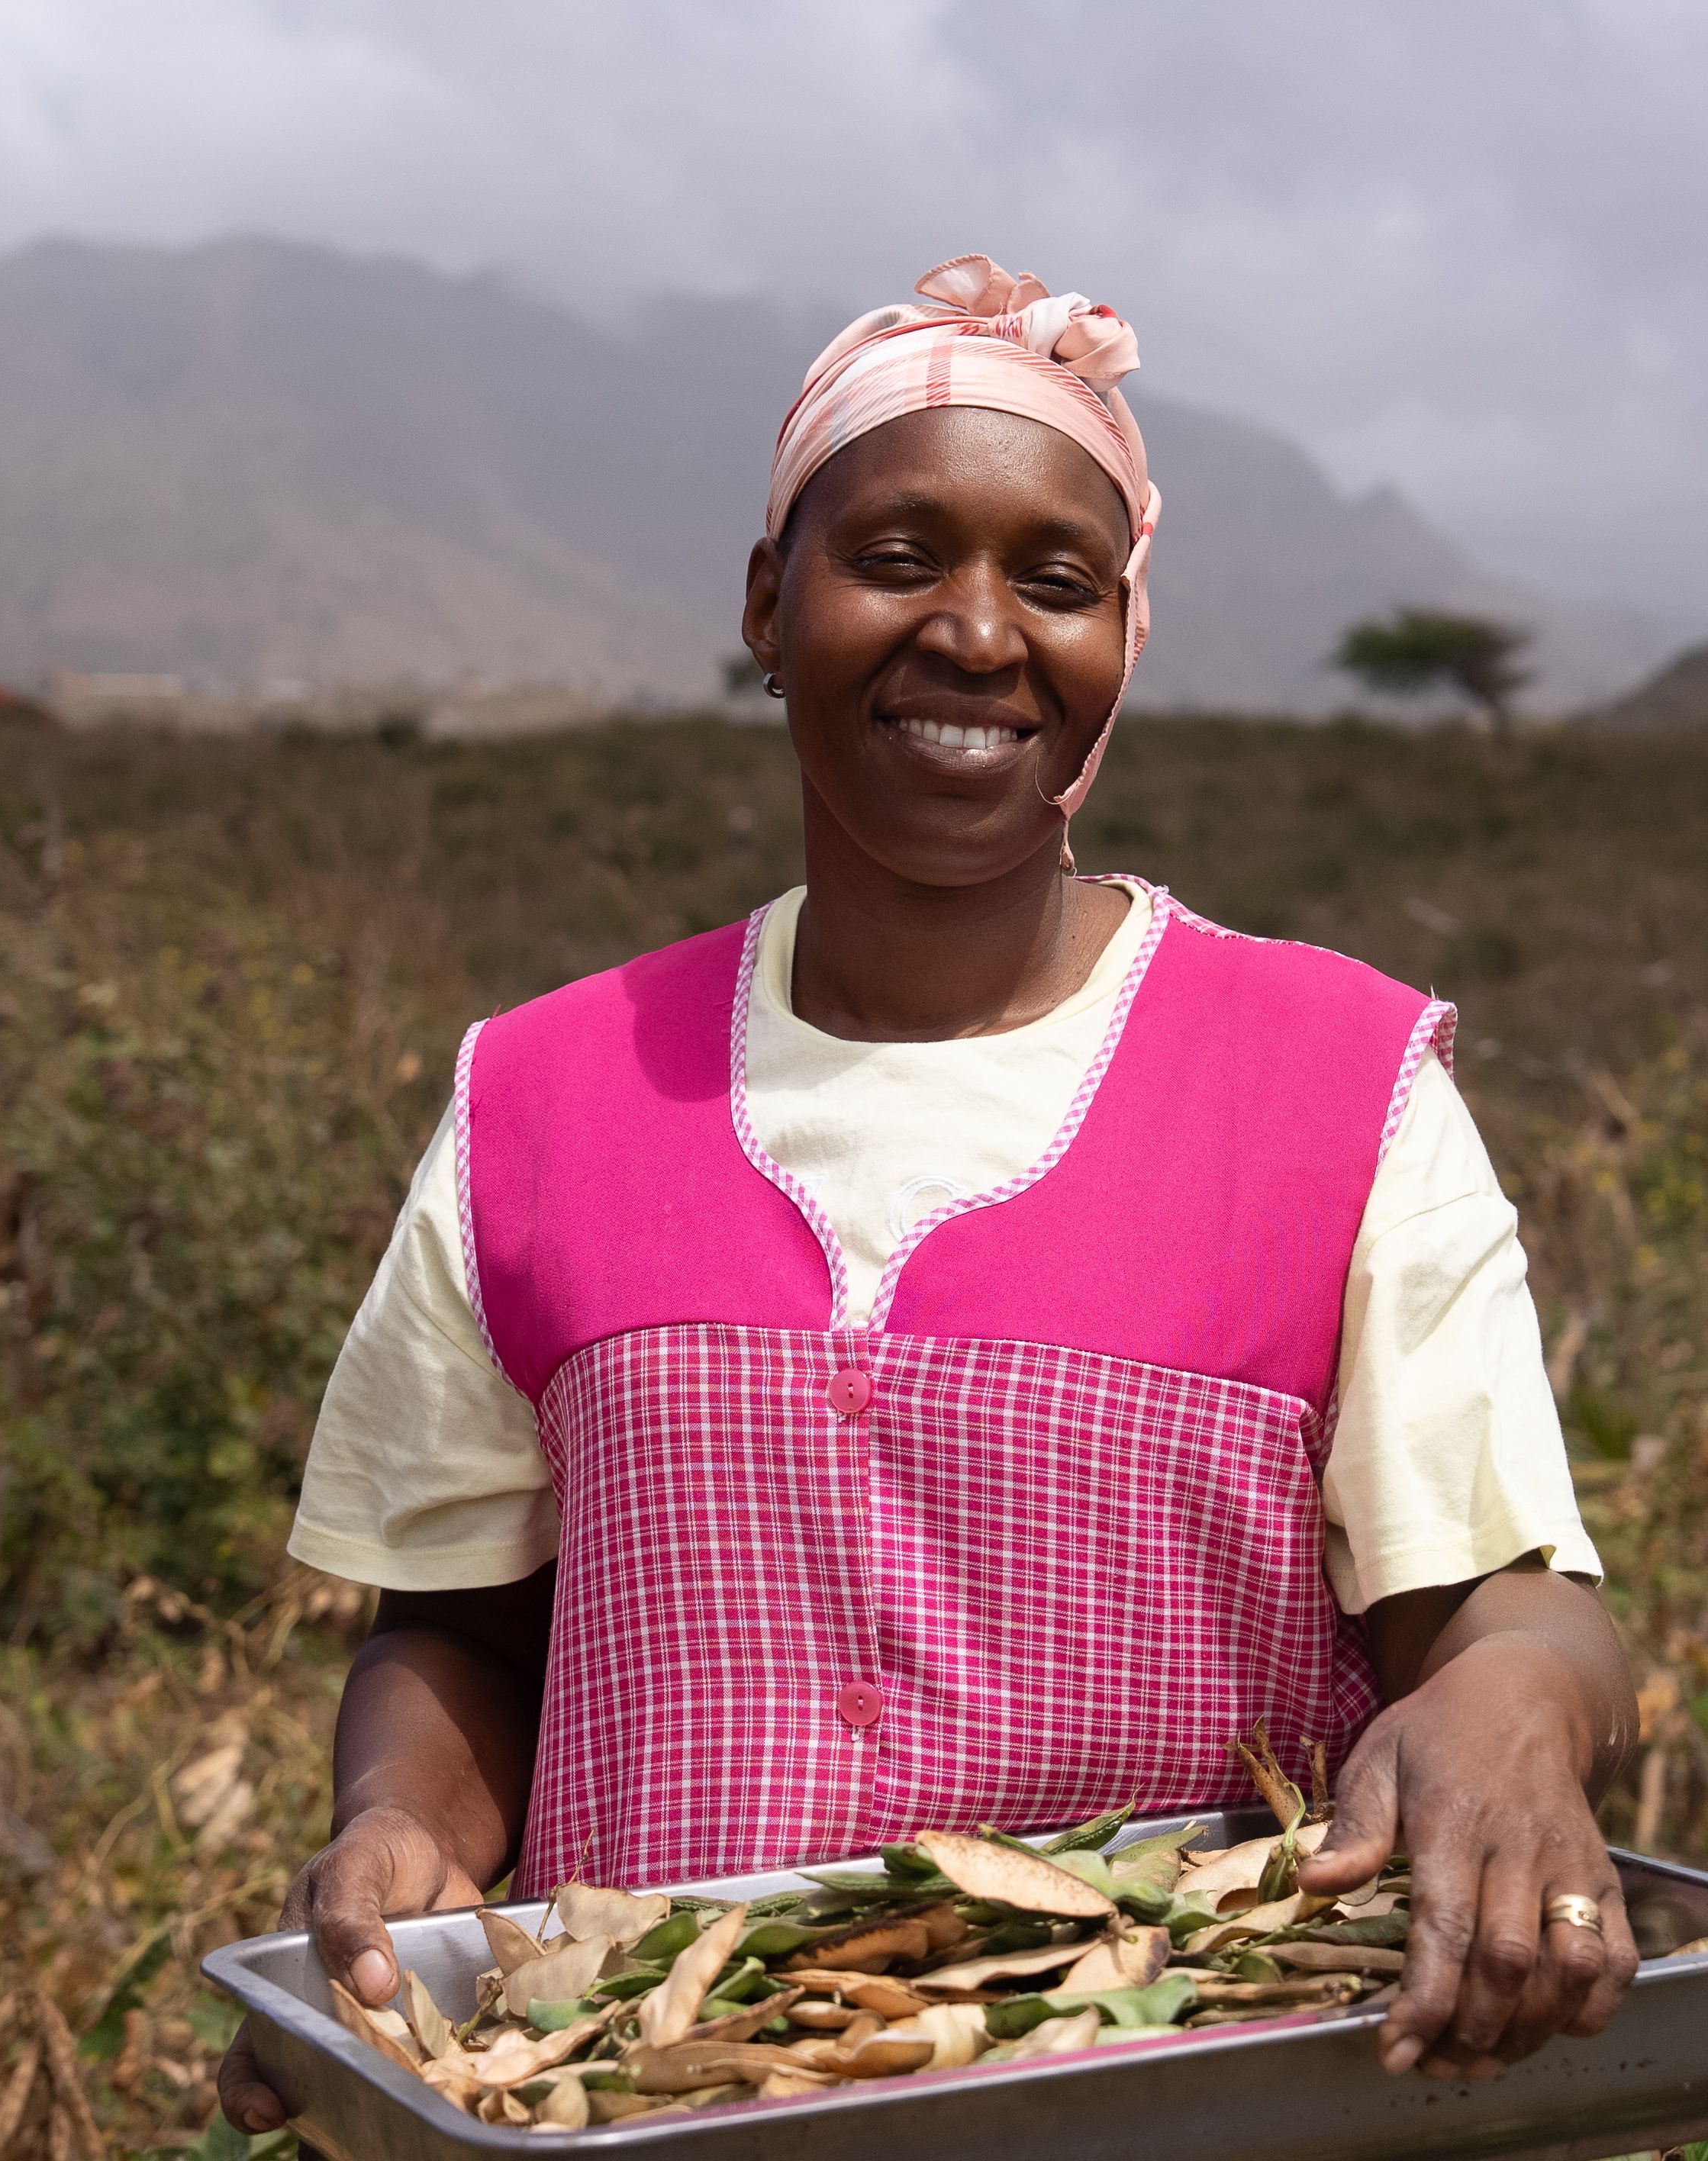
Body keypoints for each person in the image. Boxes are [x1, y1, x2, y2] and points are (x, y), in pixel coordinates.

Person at [218, 255, 1636, 2130]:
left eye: (1055, 580)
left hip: (1191, 2110)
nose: (975, 636)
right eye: (897, 555)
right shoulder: (539, 1098)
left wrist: (1513, 1713)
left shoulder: (1334, 1087)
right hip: (659, 2097)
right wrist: (402, 1826)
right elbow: (462, 1625)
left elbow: (1504, 1615)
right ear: (762, 598)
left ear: (1124, 639)